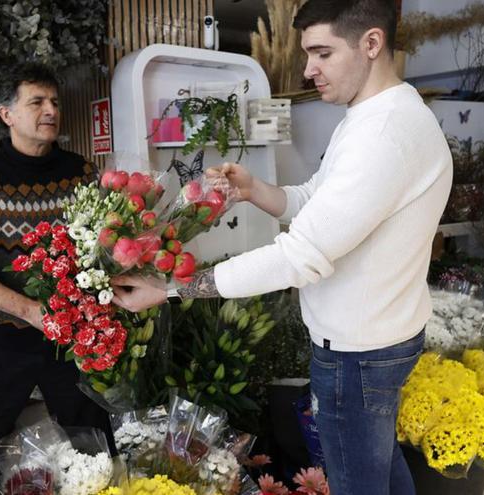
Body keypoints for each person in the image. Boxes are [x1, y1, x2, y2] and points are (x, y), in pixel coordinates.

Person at [111, 1, 453, 493]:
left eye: (321, 53)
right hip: (380, 335)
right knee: (379, 468)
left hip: (357, 354)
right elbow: (317, 201)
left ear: (371, 44)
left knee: (360, 481)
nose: (309, 69)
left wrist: (170, 287)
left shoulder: (383, 133)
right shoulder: (373, 116)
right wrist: (254, 190)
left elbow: (300, 256)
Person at [0, 63, 110, 450]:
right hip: (2, 343)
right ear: (7, 114)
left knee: (94, 445)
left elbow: (105, 252)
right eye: (36, 102)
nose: (51, 110)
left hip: (73, 344)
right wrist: (32, 311)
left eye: (54, 101)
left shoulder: (82, 174)